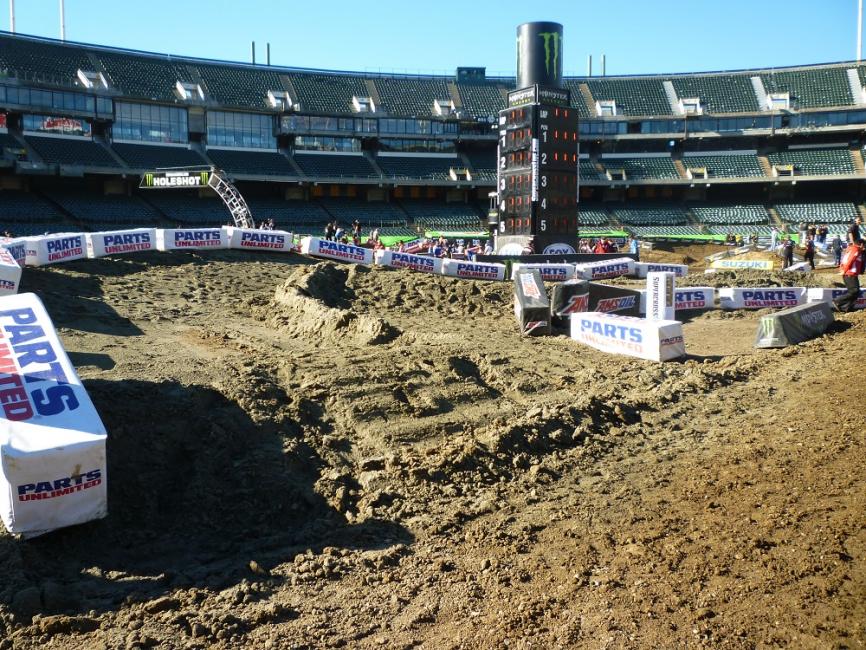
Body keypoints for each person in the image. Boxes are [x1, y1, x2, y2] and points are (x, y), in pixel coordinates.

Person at [834, 239, 865, 312]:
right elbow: (849, 260)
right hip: (849, 273)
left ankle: (846, 308)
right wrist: (844, 270)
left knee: (856, 292)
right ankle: (838, 301)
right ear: (861, 244)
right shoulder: (855, 250)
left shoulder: (853, 249)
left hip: (851, 273)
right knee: (854, 291)